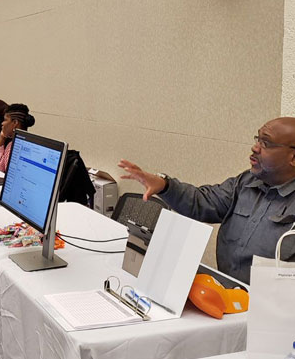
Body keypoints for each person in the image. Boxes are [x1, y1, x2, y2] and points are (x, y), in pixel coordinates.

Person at [118, 117, 295, 284]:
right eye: (257, 139)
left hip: (274, 307)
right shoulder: (245, 182)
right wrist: (165, 185)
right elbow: (202, 201)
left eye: (266, 143)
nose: (255, 148)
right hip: (230, 296)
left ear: (293, 158)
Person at [0, 103, 35, 172]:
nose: (2, 123)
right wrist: (2, 136)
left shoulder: (15, 146)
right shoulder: (18, 142)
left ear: (15, 123)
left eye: (5, 120)